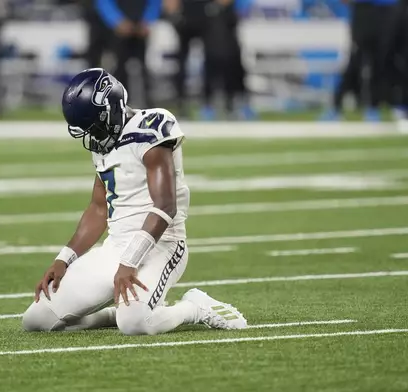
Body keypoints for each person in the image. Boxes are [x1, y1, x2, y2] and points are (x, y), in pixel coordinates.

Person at [22, 68, 246, 335]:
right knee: (37, 319)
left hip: (161, 246)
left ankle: (193, 308)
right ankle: (118, 314)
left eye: (94, 124)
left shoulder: (152, 126)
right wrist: (64, 259)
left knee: (135, 324)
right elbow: (98, 208)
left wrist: (129, 262)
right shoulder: (101, 142)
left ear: (112, 106)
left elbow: (164, 205)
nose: (92, 134)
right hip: (115, 249)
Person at [94, 0, 162, 107]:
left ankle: (149, 104)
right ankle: (118, 104)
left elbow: (154, 3)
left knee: (144, 68)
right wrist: (117, 21)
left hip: (141, 28)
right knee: (119, 68)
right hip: (118, 31)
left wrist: (148, 20)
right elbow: (104, 3)